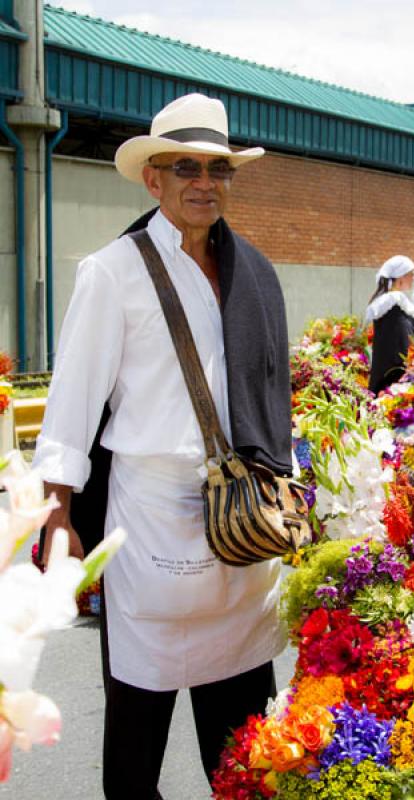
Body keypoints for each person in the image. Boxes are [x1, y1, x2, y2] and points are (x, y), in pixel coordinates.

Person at [32, 93, 293, 799]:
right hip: (148, 528)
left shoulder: (254, 273)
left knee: (244, 732)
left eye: (218, 167)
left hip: (240, 532)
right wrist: (57, 510)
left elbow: (274, 396)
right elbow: (72, 401)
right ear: (155, 179)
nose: (204, 181)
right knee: (139, 721)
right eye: (186, 167)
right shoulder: (112, 272)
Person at [366, 255, 414, 394]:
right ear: (401, 277)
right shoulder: (392, 303)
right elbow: (400, 343)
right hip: (392, 377)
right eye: (411, 274)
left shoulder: (393, 302)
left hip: (388, 373)